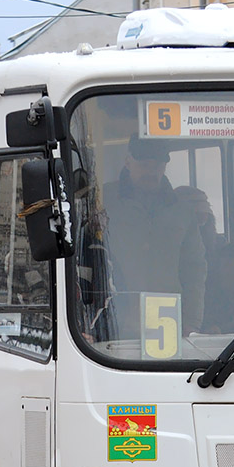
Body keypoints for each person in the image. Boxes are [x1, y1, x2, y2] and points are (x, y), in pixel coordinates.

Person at [99, 136, 208, 334]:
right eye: (144, 164)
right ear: (128, 162)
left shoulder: (182, 211)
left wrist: (191, 321)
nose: (151, 171)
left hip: (168, 320)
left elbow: (194, 268)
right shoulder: (101, 201)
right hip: (113, 318)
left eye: (157, 165)